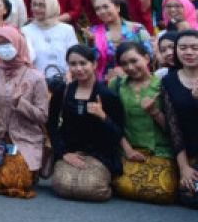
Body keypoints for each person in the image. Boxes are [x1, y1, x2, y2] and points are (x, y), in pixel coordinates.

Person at [0, 26, 50, 199]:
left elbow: (42, 116)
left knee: (12, 180)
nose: (2, 48)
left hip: (24, 139)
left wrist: (19, 103)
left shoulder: (35, 77)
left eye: (7, 43)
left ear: (18, 44)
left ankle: (31, 171)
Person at [49, 44, 125, 202]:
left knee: (90, 188)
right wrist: (63, 153)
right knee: (62, 185)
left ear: (94, 64)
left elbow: (118, 133)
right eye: (73, 64)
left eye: (83, 63)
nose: (78, 68)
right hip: (70, 152)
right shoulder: (63, 91)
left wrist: (102, 116)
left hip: (99, 154)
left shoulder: (107, 95)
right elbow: (52, 125)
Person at [104, 41, 177, 204]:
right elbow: (111, 123)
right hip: (127, 150)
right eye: (124, 64)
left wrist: (155, 113)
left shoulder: (164, 85)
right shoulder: (116, 85)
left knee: (162, 191)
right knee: (121, 185)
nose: (130, 67)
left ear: (146, 58)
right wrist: (128, 150)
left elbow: (174, 130)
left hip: (159, 151)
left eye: (134, 61)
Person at [161, 29, 198, 207]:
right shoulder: (169, 80)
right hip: (191, 156)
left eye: (194, 48)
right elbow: (173, 127)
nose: (189, 52)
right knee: (191, 195)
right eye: (183, 48)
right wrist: (184, 168)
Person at [90, 0, 153, 81]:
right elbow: (91, 62)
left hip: (137, 78)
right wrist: (91, 43)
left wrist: (125, 69)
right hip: (107, 81)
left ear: (117, 7)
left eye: (105, 7)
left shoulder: (137, 28)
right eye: (97, 9)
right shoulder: (93, 32)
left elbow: (149, 55)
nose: (102, 11)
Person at [22, 0, 75, 77]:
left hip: (65, 80)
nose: (36, 8)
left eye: (41, 5)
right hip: (38, 80)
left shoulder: (67, 29)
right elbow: (28, 58)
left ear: (51, 7)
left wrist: (69, 76)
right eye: (34, 5)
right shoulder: (26, 30)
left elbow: (74, 56)